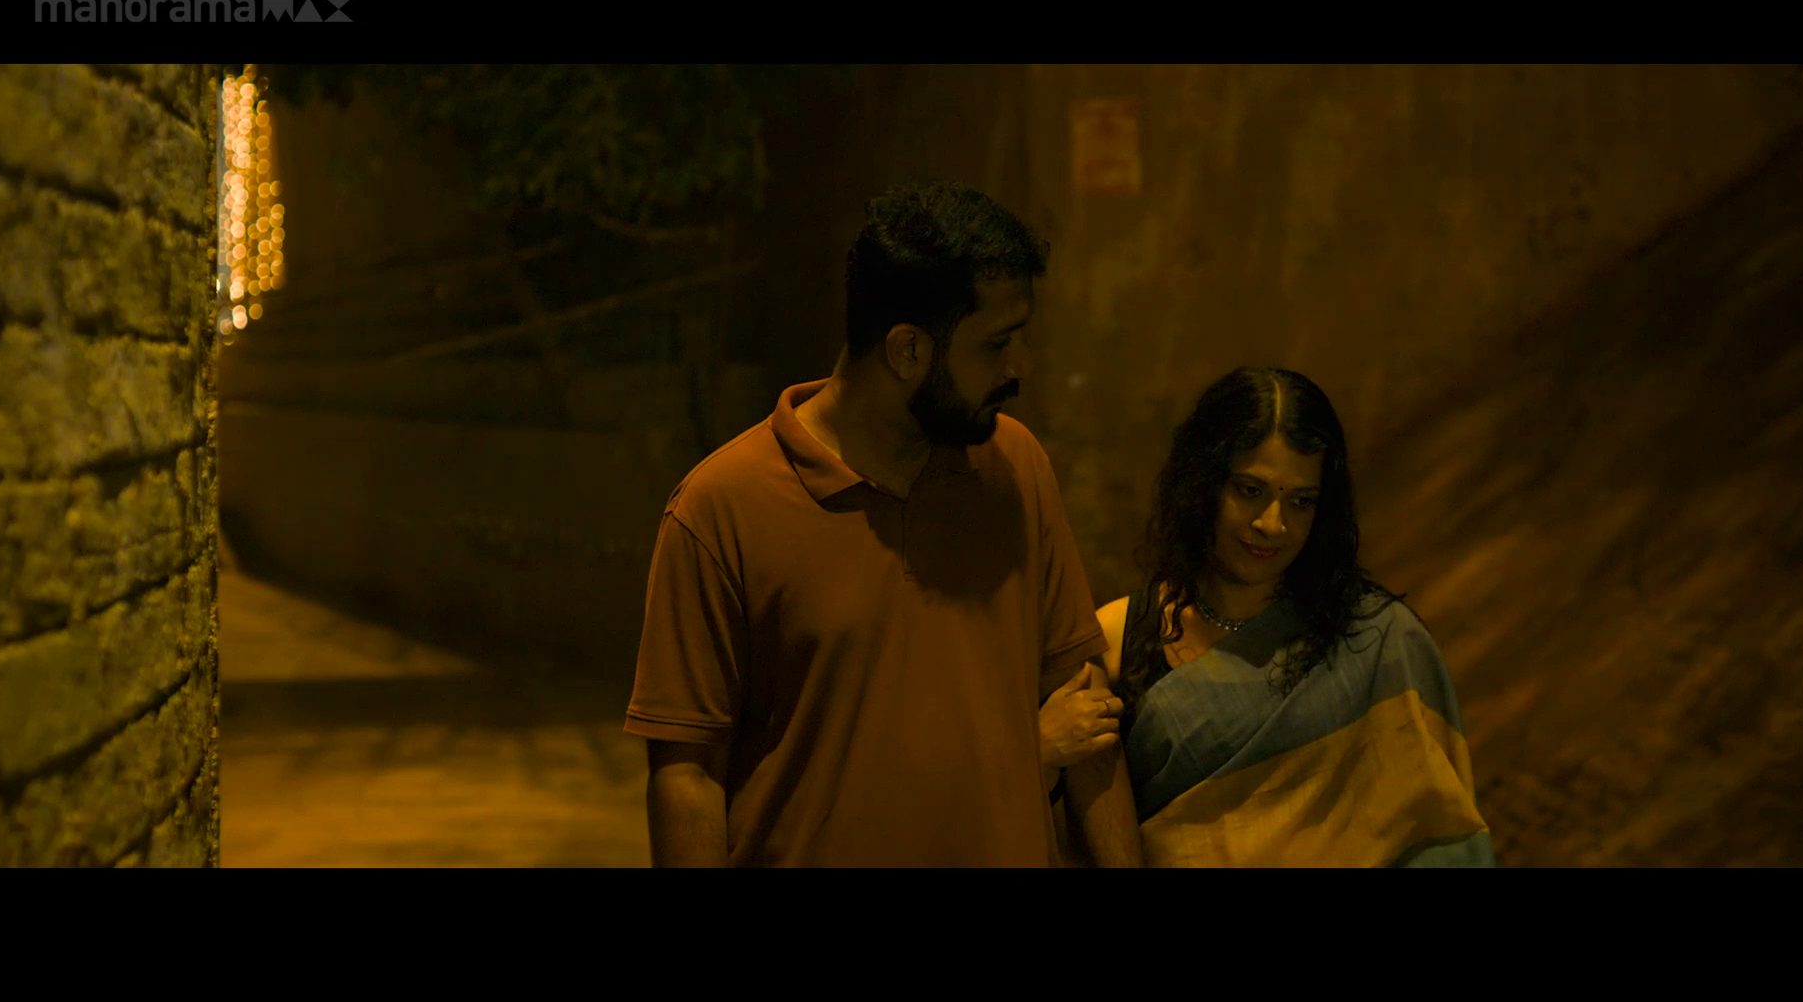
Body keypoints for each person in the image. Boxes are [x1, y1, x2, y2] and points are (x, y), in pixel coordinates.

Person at [625, 181, 1143, 867]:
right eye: (997, 344)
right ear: (907, 352)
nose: (1021, 366)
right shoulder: (721, 507)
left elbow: (1086, 714)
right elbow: (688, 775)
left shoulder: (1015, 468)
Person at [1093, 366, 1494, 867]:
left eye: (1300, 501)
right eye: (1250, 491)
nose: (1273, 525)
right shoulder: (1116, 643)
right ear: (1202, 485)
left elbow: (1436, 834)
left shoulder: (1379, 643)